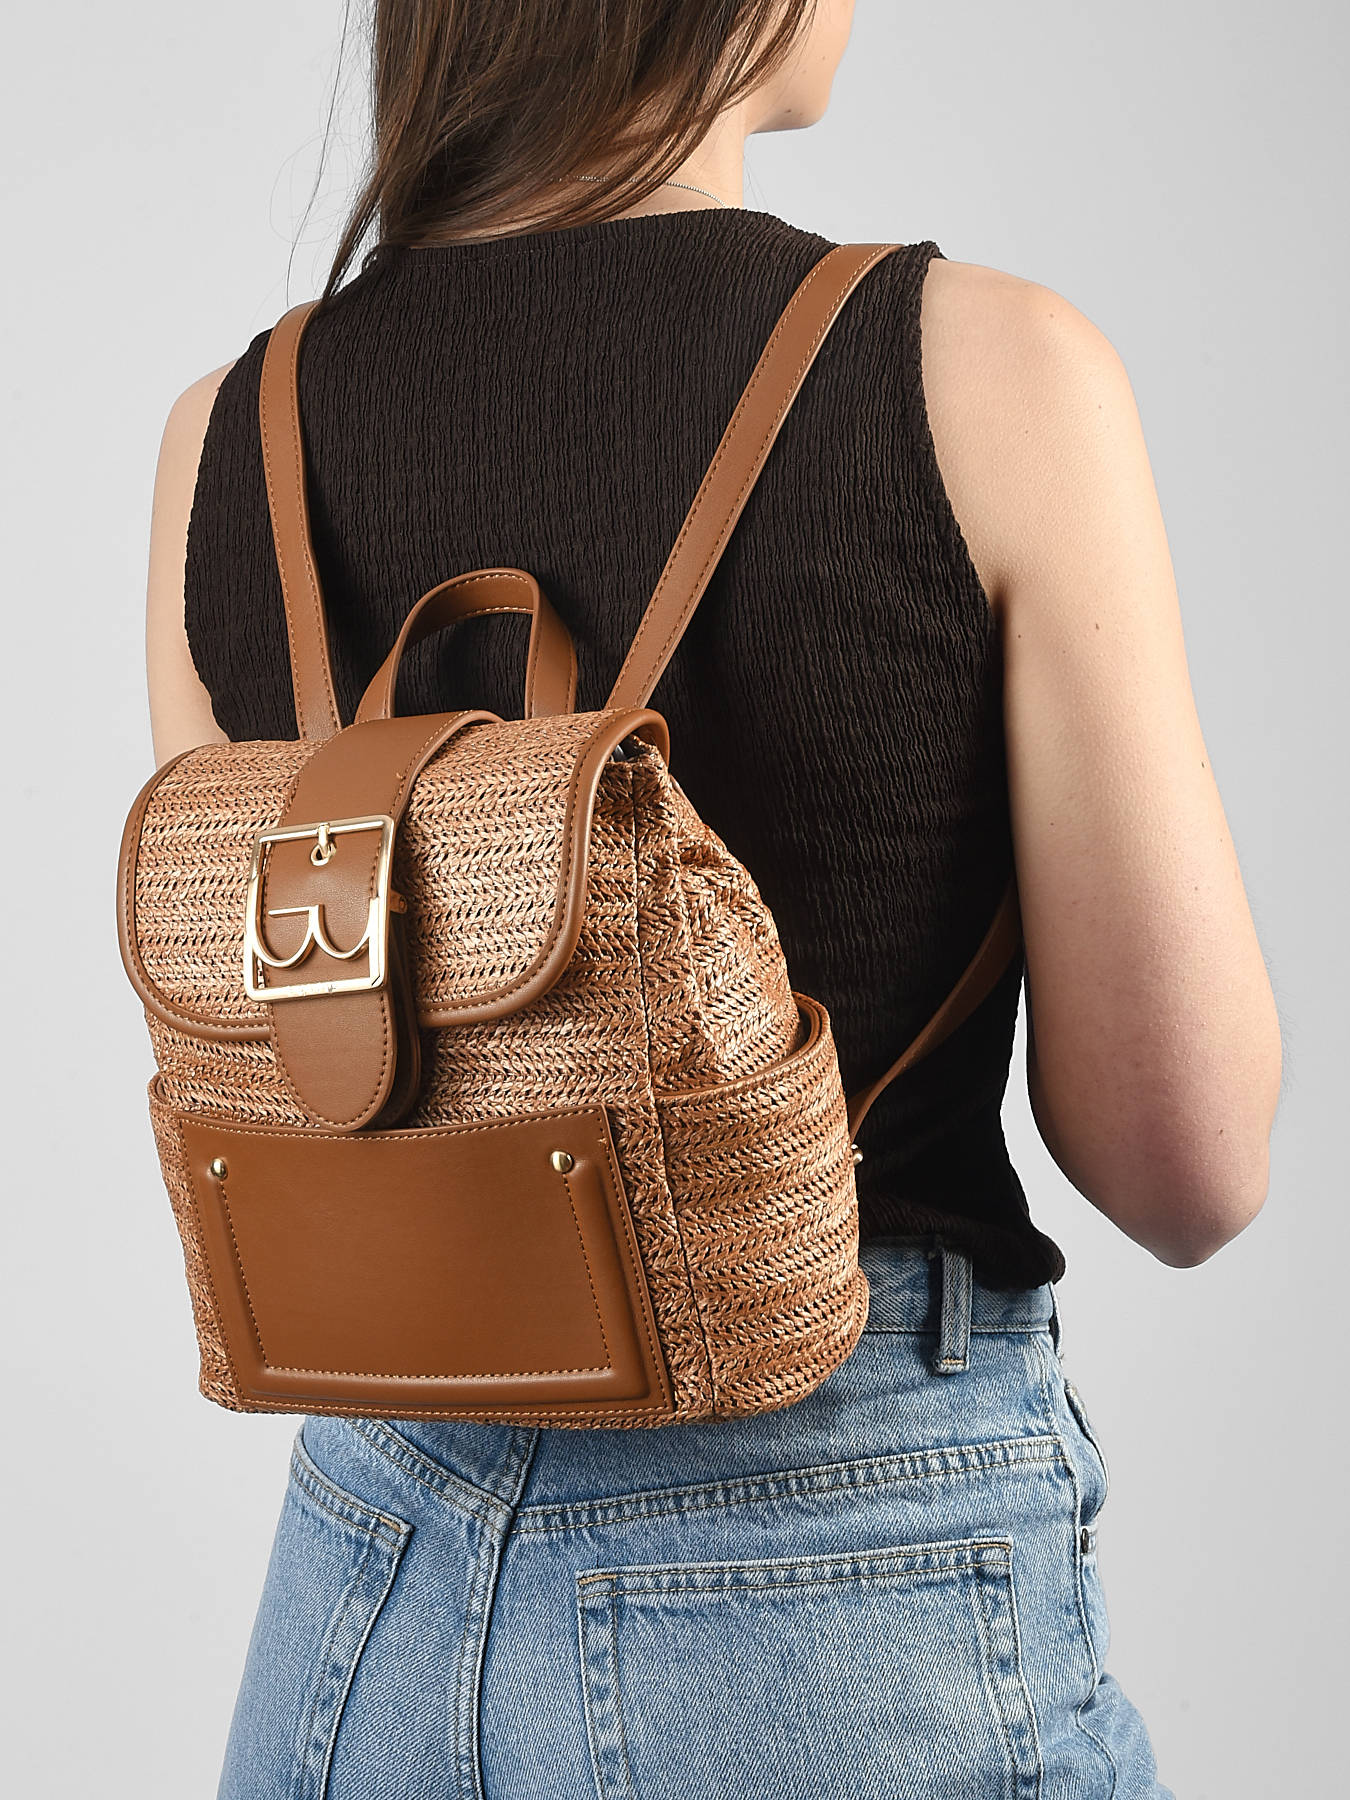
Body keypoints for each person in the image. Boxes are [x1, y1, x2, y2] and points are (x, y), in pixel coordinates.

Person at [143, 3, 1282, 1794]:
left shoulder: (235, 433)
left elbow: (305, 1085)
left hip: (365, 1574)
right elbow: (1182, 1162)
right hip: (830, 1573)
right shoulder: (984, 371)